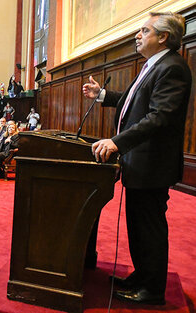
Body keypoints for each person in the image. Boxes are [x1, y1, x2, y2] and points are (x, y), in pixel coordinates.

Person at [82, 12, 191, 305]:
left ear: (163, 37)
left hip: (152, 164)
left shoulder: (172, 68)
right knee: (138, 224)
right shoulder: (154, 66)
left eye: (144, 30)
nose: (138, 35)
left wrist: (117, 143)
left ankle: (152, 289)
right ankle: (142, 275)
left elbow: (159, 117)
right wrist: (102, 94)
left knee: (148, 226)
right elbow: (133, 102)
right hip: (140, 163)